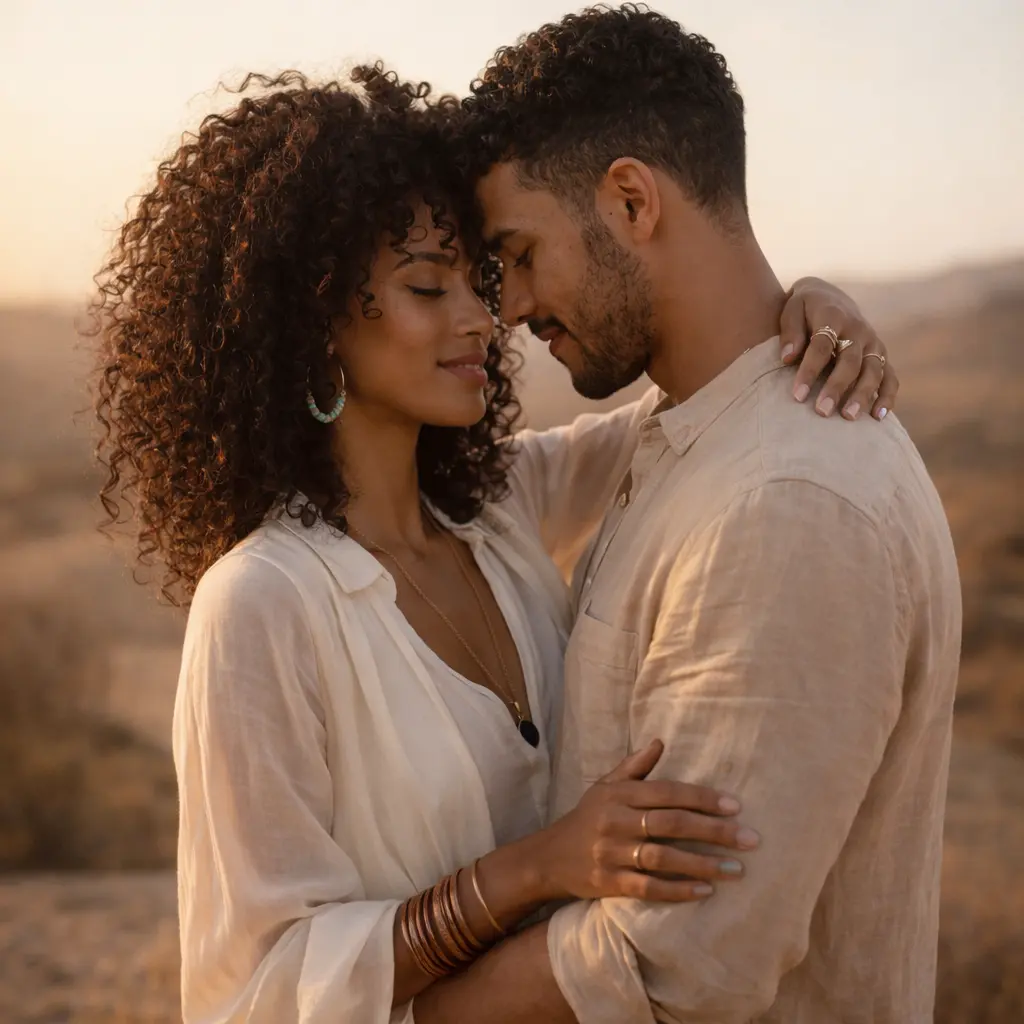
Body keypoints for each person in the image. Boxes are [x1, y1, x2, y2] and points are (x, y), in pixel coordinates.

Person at [91, 64, 900, 1023]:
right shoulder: (262, 604)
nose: (484, 317)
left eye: (480, 280)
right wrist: (529, 872)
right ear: (309, 325)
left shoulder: (504, 513)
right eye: (428, 287)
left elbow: (707, 386)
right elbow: (263, 985)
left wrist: (806, 305)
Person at [410, 7, 962, 1024]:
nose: (513, 310)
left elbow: (677, 971)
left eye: (520, 253)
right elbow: (441, 493)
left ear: (630, 199)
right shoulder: (684, 434)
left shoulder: (786, 507)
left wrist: (396, 1005)